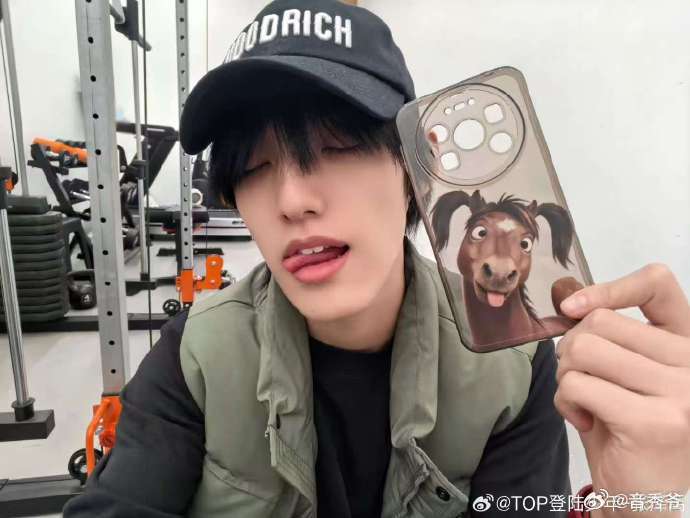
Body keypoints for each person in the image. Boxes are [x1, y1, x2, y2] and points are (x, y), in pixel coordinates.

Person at [63, 1, 690, 517]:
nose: (291, 201)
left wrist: (644, 507)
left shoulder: (511, 367)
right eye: (254, 167)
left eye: (336, 148)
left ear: (419, 166)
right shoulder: (197, 356)